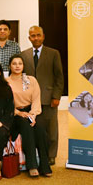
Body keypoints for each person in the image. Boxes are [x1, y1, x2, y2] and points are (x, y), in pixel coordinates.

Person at [21, 26, 64, 165]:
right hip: (30, 99)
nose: (36, 38)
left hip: (48, 97)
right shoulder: (24, 54)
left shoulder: (53, 53)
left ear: (43, 36)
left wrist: (56, 96)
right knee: (34, 127)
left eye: (38, 35)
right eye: (33, 36)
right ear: (29, 38)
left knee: (51, 129)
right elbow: (22, 77)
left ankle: (51, 155)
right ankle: (36, 154)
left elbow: (59, 77)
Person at [6, 54, 52, 177]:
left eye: (20, 63)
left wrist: (32, 115)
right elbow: (5, 104)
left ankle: (44, 165)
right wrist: (19, 113)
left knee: (41, 129)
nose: (17, 66)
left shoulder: (31, 80)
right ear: (9, 66)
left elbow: (36, 99)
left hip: (31, 111)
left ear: (23, 66)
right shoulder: (6, 82)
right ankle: (32, 165)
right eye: (14, 63)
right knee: (26, 127)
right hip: (15, 114)